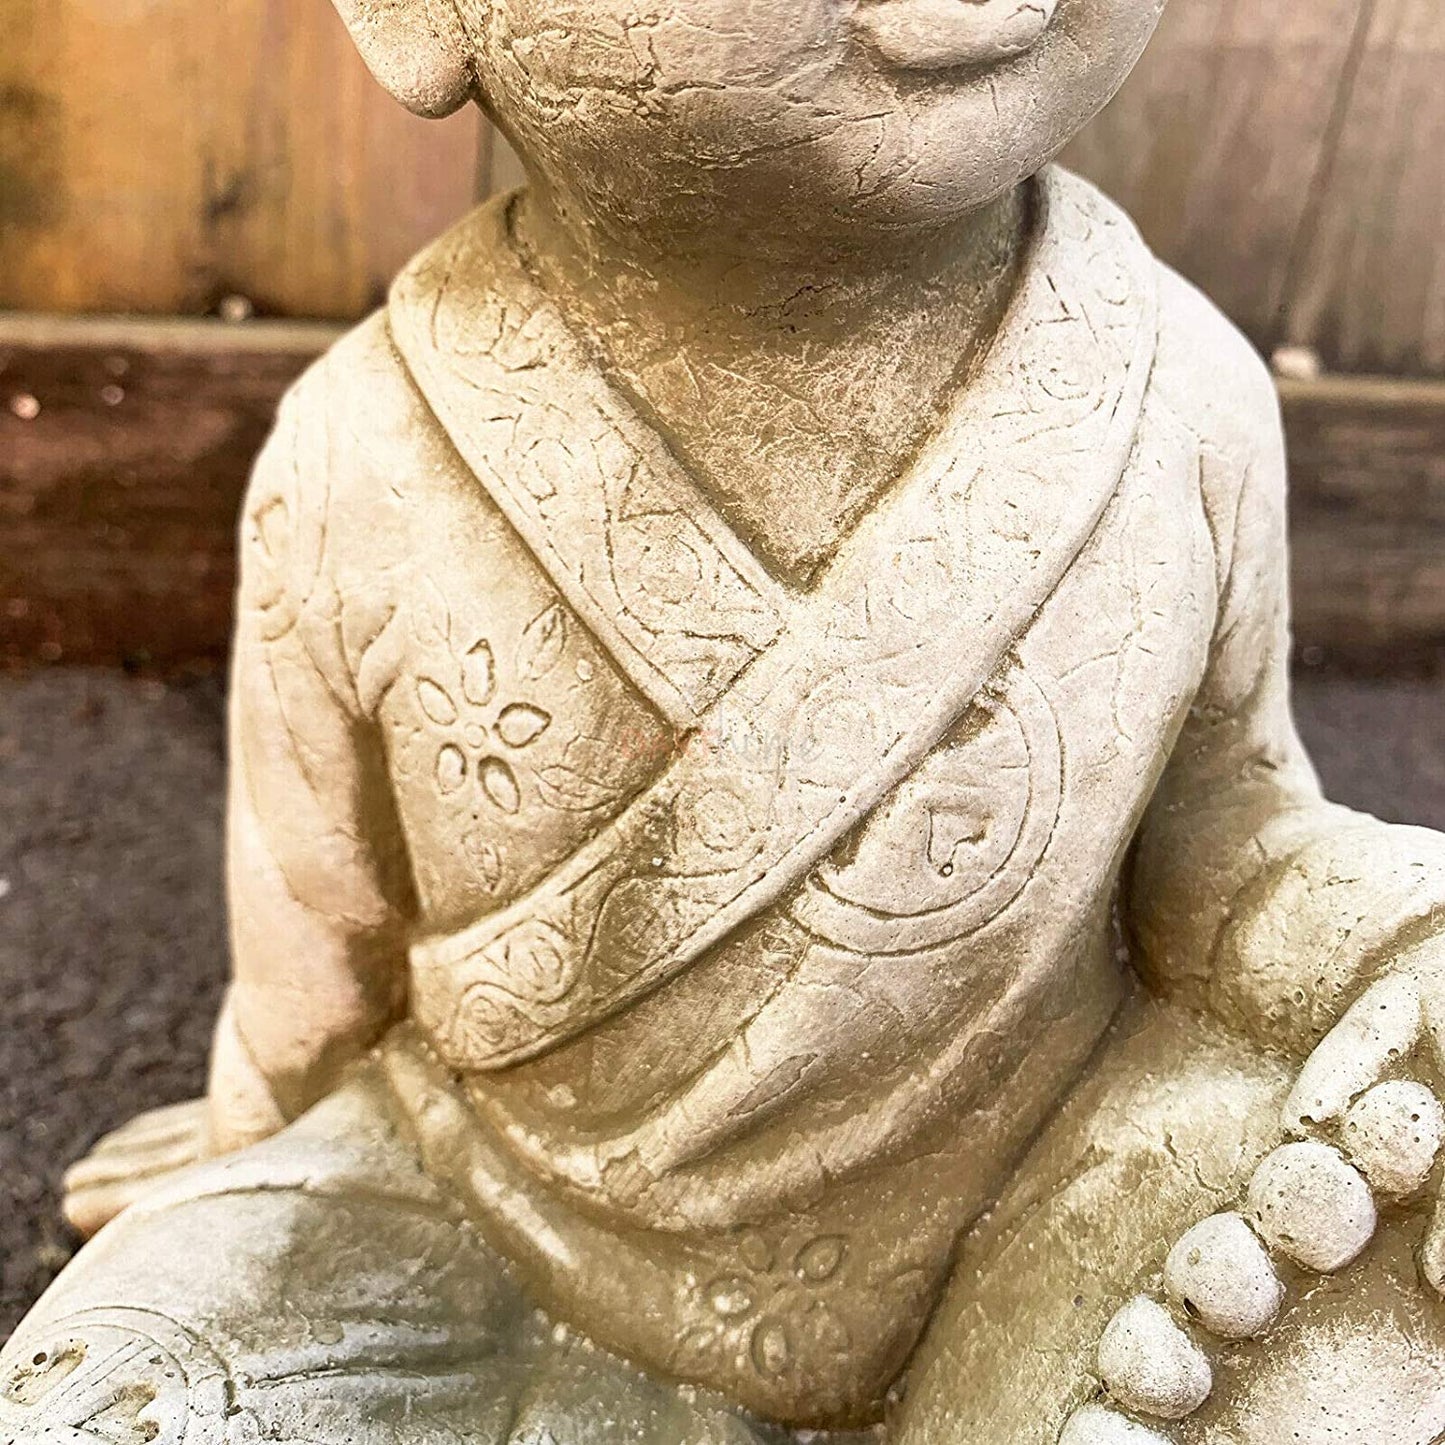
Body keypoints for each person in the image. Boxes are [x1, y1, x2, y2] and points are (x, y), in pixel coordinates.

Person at [10, 2, 1445, 1440]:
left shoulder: (1179, 393)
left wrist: (1397, 932)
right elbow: (315, 942)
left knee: (1354, 1370)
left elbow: (1226, 836)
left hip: (1024, 1210)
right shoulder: (361, 449)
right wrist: (243, 1175)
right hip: (486, 1217)